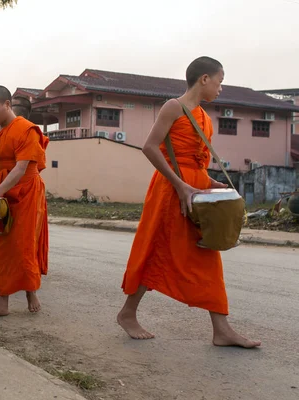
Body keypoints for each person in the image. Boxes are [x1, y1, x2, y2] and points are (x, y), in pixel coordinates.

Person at [117, 57, 260, 348]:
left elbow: (197, 163)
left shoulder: (205, 117)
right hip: (171, 190)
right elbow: (149, 147)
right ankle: (127, 313)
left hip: (196, 191)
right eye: (220, 81)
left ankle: (221, 329)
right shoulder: (174, 107)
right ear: (204, 79)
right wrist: (181, 185)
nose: (221, 88)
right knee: (156, 249)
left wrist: (210, 183)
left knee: (208, 254)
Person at [0, 85, 49, 320]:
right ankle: (2, 303)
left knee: (24, 244)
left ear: (7, 104)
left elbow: (21, 168)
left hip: (27, 192)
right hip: (2, 192)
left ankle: (31, 293)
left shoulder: (26, 130)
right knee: (0, 247)